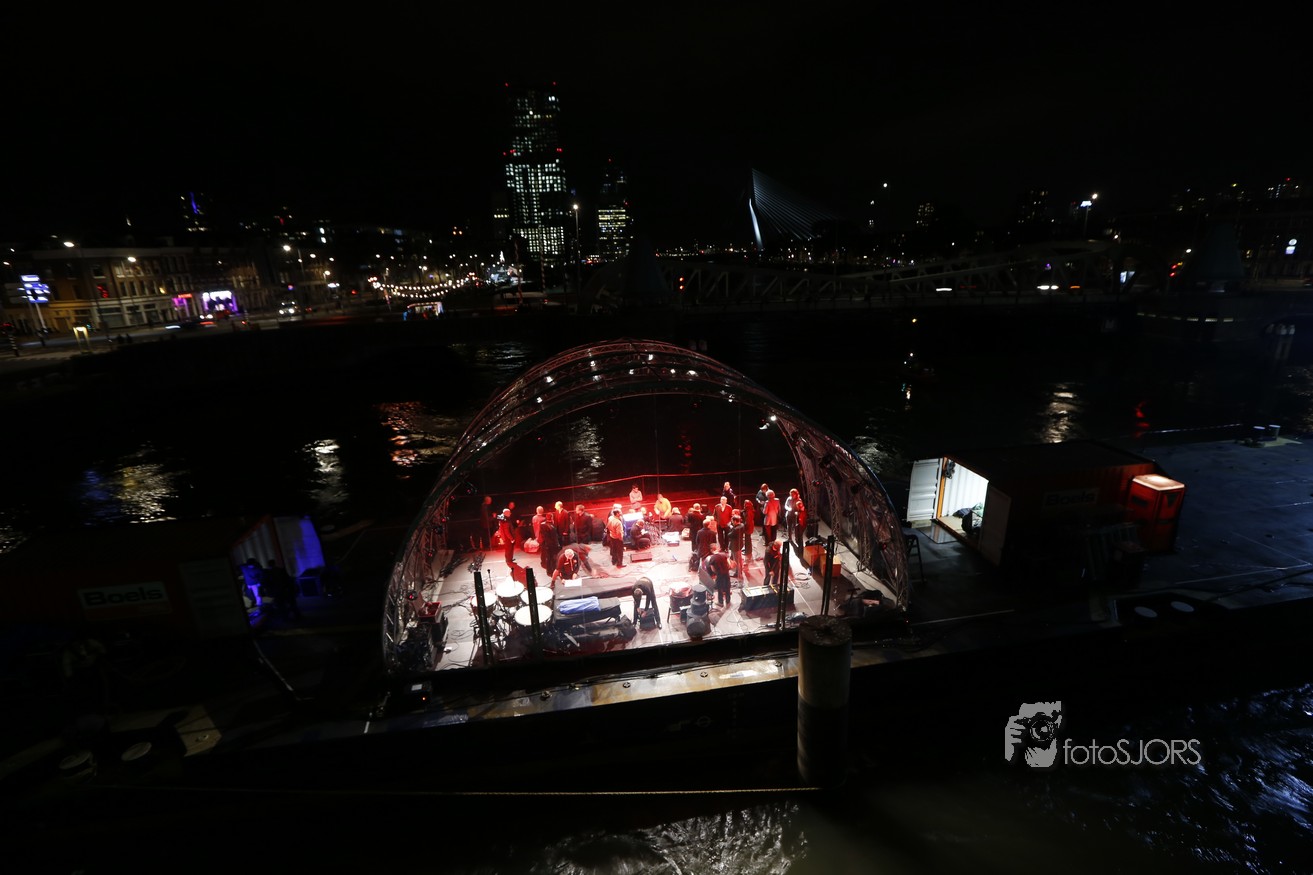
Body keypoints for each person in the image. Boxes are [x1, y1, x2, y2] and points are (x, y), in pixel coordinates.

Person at [726, 512, 746, 578]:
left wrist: (731, 528)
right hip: (739, 544)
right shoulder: (742, 525)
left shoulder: (735, 529)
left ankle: (738, 574)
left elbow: (729, 535)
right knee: (739, 559)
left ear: (735, 521)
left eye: (732, 521)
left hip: (735, 546)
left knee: (737, 561)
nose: (732, 522)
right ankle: (739, 572)